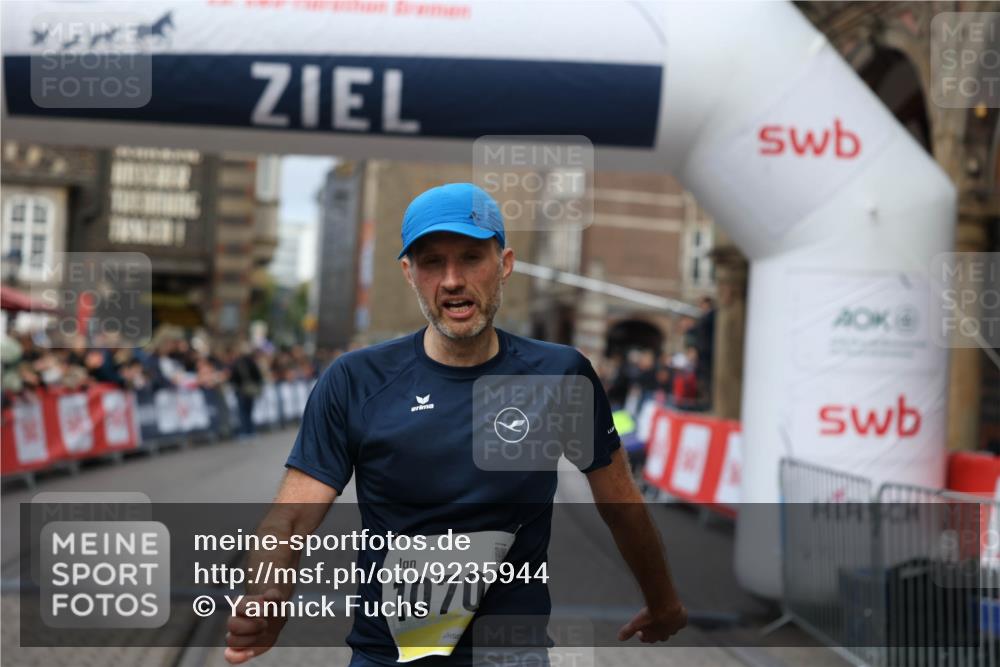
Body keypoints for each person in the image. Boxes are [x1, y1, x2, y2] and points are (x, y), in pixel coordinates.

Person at [225, 183, 687, 666]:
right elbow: (290, 517)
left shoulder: (560, 374)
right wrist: (266, 592)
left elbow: (621, 504)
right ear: (409, 273)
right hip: (387, 657)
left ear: (504, 264)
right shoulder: (356, 379)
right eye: (432, 262)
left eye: (470, 258)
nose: (451, 280)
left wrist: (664, 602)